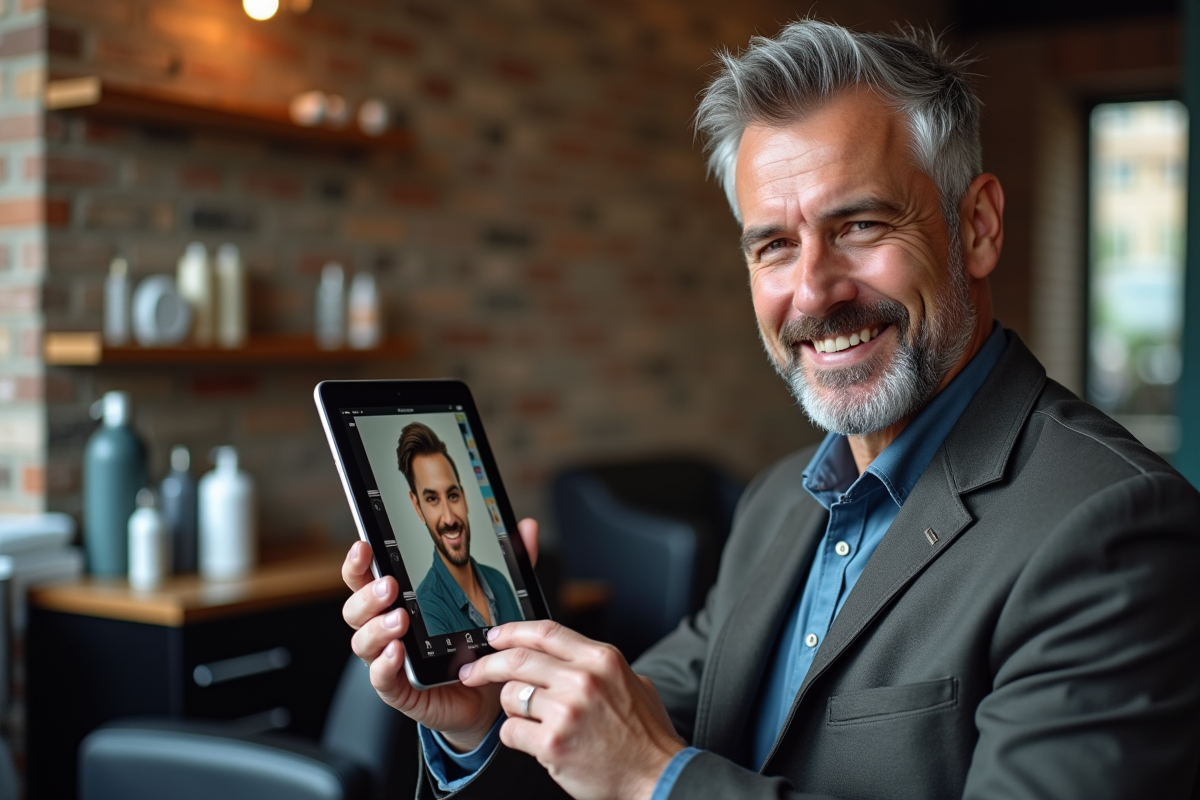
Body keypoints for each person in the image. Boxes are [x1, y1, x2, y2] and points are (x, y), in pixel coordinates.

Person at [342, 20, 1200, 799]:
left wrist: (658, 779)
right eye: (775, 246)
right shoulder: (778, 503)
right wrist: (481, 718)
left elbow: (640, 768)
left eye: (861, 225)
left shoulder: (1110, 525)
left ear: (975, 226)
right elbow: (608, 748)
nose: (814, 291)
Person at [397, 422, 522, 636]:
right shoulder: (427, 609)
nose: (449, 518)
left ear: (464, 498)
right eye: (432, 499)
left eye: (452, 496)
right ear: (418, 507)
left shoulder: (500, 581)